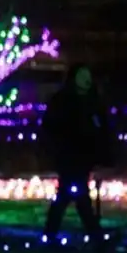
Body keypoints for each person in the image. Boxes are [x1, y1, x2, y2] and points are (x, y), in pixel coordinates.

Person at [40, 64, 114, 239]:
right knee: (75, 194)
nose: (85, 79)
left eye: (87, 75)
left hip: (85, 156)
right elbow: (51, 127)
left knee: (72, 195)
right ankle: (92, 233)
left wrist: (104, 156)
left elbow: (103, 130)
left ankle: (53, 233)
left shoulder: (94, 101)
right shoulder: (62, 101)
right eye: (82, 75)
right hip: (68, 156)